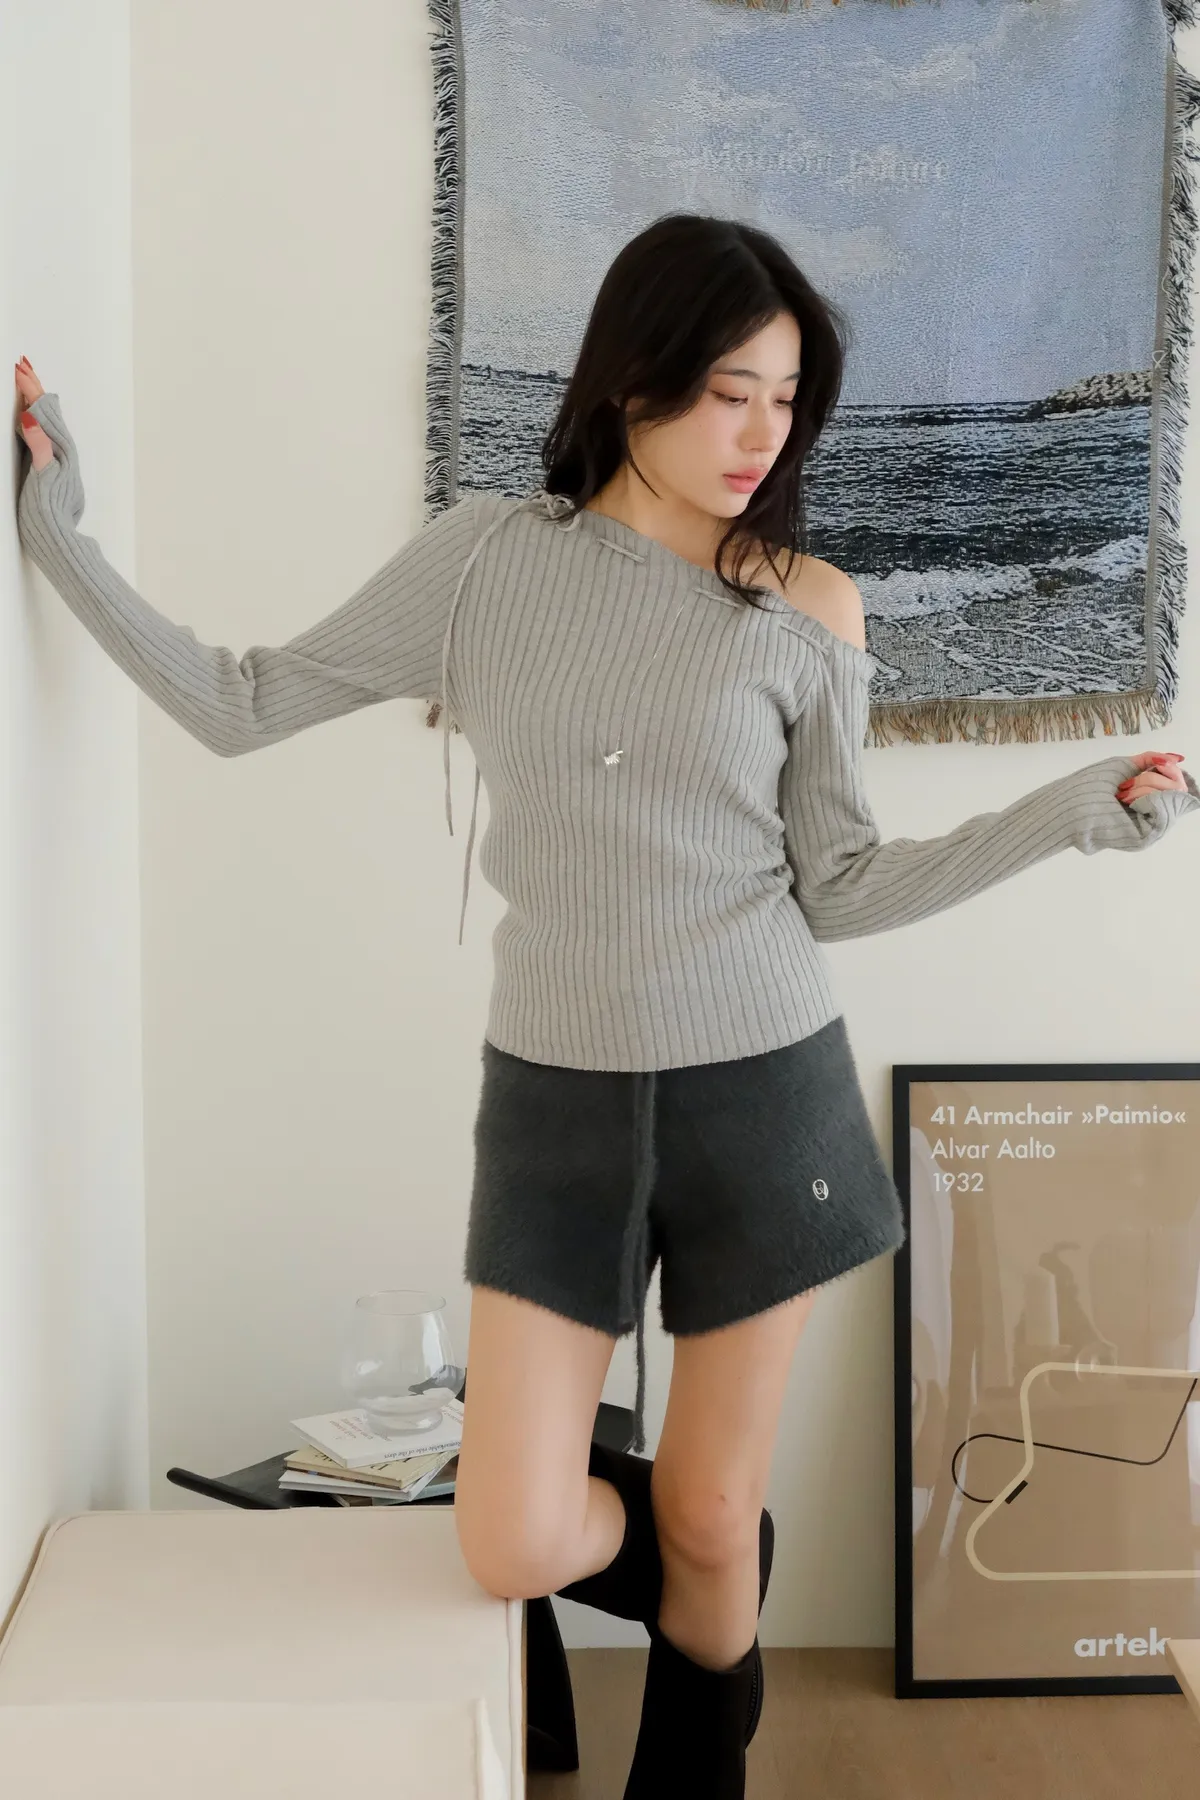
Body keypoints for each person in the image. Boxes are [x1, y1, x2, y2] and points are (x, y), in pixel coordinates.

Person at [13, 212, 1197, 1800]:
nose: (761, 435)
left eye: (786, 400)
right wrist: (59, 537)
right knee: (513, 1537)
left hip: (764, 1096)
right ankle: (719, 1570)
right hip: (556, 1106)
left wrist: (1066, 815)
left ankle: (702, 1687)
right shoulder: (484, 560)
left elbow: (841, 886)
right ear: (632, 380)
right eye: (728, 392)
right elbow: (243, 701)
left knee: (703, 1510)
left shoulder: (808, 610)